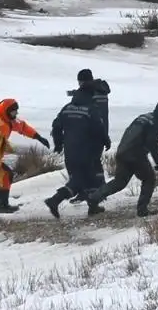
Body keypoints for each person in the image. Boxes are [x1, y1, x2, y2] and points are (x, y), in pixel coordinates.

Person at [86, 98, 158, 217]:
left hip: (122, 151)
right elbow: (152, 143)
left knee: (119, 182)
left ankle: (94, 198)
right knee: (149, 178)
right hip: (136, 154)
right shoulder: (156, 123)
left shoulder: (144, 117)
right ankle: (142, 209)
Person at [44, 84, 111, 218]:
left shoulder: (67, 108)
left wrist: (58, 144)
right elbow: (99, 128)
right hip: (86, 151)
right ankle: (55, 200)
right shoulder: (91, 109)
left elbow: (56, 125)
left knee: (81, 179)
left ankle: (93, 207)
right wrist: (106, 140)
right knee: (86, 179)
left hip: (70, 152)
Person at [0, 98, 51, 212]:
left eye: (16, 111)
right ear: (7, 111)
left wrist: (38, 137)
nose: (16, 113)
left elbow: (23, 127)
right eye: (14, 111)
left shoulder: (9, 121)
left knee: (4, 176)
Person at [67, 69, 111, 203]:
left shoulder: (91, 94)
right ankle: (101, 189)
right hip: (101, 131)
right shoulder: (101, 90)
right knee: (95, 162)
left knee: (86, 164)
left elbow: (86, 104)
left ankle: (87, 192)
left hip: (91, 133)